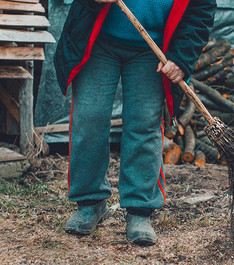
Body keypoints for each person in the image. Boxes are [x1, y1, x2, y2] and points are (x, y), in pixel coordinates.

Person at [54, 0, 216, 245]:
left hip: (152, 50)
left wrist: (181, 58)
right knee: (89, 118)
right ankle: (90, 202)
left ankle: (139, 210)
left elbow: (201, 9)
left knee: (144, 124)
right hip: (98, 39)